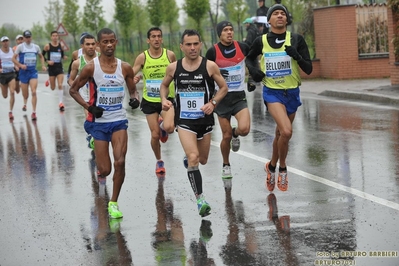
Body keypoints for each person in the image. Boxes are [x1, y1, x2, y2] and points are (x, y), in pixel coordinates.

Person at [69, 28, 139, 219]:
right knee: (105, 170)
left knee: (120, 161)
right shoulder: (91, 67)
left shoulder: (125, 68)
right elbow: (73, 90)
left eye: (112, 41)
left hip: (118, 121)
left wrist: (135, 99)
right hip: (98, 123)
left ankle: (114, 202)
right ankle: (92, 138)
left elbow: (133, 90)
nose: (109, 45)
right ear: (99, 45)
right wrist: (89, 107)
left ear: (116, 42)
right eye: (105, 42)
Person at [160, 29, 228, 217]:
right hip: (184, 121)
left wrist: (213, 103)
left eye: (196, 44)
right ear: (181, 47)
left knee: (203, 159)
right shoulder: (174, 68)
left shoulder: (210, 66)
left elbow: (224, 87)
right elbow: (164, 85)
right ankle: (200, 200)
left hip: (204, 120)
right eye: (188, 44)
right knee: (193, 158)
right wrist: (163, 100)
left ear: (200, 44)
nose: (192, 48)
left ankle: (190, 161)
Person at [246, 4, 313, 192]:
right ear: (269, 20)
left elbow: (308, 69)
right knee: (287, 131)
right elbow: (249, 58)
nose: (280, 16)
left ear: (287, 19)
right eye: (275, 13)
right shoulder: (261, 41)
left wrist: (297, 56)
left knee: (280, 135)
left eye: (283, 13)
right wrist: (255, 72)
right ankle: (283, 168)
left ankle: (271, 166)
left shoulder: (296, 39)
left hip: (292, 92)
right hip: (272, 92)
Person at [205, 21, 251, 183]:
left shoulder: (242, 47)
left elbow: (252, 60)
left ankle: (236, 134)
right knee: (225, 136)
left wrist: (252, 76)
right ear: (220, 34)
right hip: (222, 98)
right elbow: (206, 71)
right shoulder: (212, 52)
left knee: (244, 129)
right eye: (225, 30)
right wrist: (217, 73)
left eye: (231, 30)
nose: (229, 32)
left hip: (238, 96)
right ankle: (226, 164)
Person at [132, 27, 176, 175]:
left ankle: (163, 126)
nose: (156, 39)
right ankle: (159, 161)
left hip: (167, 98)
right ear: (148, 40)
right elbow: (131, 74)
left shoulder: (169, 55)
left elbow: (178, 72)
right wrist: (135, 78)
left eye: (159, 36)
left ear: (162, 39)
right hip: (149, 99)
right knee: (155, 135)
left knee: (170, 127)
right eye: (153, 37)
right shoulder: (142, 57)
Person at [68, 34, 99, 149]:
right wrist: (76, 86)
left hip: (102, 94)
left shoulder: (103, 58)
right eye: (88, 44)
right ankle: (92, 136)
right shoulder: (77, 63)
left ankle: (96, 135)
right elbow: (70, 80)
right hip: (86, 94)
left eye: (93, 44)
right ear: (82, 46)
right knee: (90, 115)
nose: (91, 46)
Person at [12, 30, 47, 120]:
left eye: (29, 37)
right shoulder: (20, 47)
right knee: (25, 95)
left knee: (34, 91)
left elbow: (41, 56)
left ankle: (34, 112)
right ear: (24, 38)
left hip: (32, 72)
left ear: (31, 37)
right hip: (23, 73)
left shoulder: (36, 47)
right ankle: (25, 103)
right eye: (26, 37)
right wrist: (20, 65)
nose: (28, 39)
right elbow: (13, 59)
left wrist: (43, 65)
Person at [42, 31, 68, 111]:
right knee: (53, 88)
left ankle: (60, 103)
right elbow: (41, 56)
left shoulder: (61, 45)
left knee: (60, 85)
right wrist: (47, 61)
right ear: (51, 37)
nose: (55, 37)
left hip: (59, 68)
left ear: (58, 37)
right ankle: (49, 80)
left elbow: (62, 55)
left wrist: (64, 57)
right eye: (53, 36)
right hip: (51, 68)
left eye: (56, 36)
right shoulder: (48, 46)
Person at [0, 36, 17, 120]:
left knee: (12, 92)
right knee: (5, 96)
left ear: (9, 42)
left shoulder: (12, 50)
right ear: (1, 43)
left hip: (11, 73)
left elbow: (16, 59)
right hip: (2, 75)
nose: (5, 42)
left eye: (6, 41)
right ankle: (2, 85)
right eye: (3, 41)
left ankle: (10, 112)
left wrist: (16, 65)